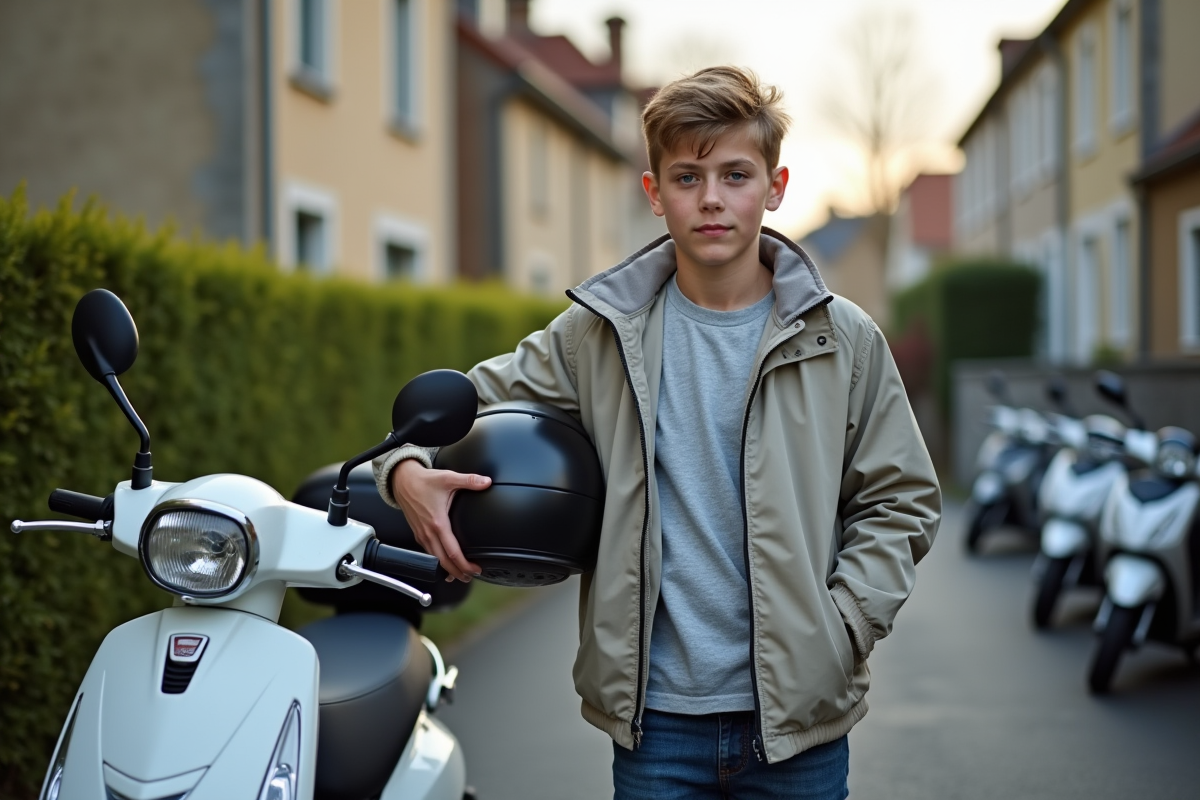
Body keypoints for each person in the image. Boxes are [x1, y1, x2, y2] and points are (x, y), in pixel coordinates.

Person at [373, 65, 940, 799]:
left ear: (775, 187)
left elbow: (901, 499)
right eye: (687, 177)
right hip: (660, 726)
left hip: (800, 723)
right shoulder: (598, 334)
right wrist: (404, 469)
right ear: (654, 192)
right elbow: (462, 402)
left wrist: (844, 627)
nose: (712, 199)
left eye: (736, 175)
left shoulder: (843, 339)